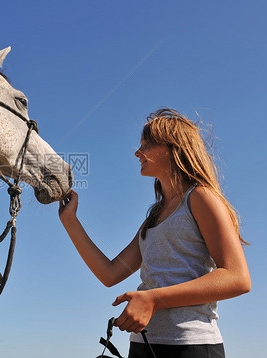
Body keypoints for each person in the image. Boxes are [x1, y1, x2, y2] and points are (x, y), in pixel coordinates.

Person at [58, 108, 251, 358]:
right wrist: (70, 221)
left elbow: (237, 278)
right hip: (142, 345)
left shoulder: (201, 197)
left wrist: (153, 299)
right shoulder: (153, 218)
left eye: (146, 145)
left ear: (173, 149)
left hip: (191, 346)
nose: (137, 153)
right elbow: (110, 273)